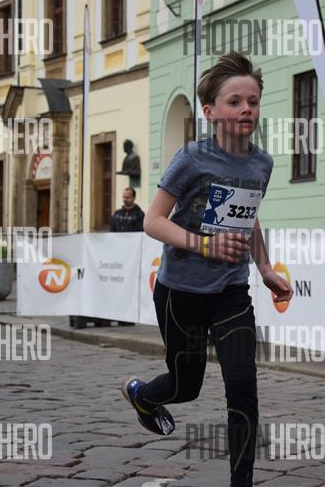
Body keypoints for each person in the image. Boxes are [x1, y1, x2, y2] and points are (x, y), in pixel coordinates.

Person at [120, 52, 293, 487]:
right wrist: (204, 244)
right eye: (235, 102)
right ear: (210, 111)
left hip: (232, 291)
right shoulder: (192, 158)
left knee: (243, 385)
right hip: (181, 291)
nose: (246, 109)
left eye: (253, 101)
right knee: (185, 386)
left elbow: (248, 216)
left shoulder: (262, 163)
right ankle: (142, 395)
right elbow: (152, 221)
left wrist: (265, 267)